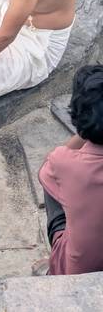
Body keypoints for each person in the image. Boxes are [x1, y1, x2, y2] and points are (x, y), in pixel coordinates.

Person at [38, 65, 103, 275]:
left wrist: (86, 128)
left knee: (52, 181)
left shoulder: (63, 162)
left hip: (76, 269)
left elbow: (47, 169)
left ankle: (54, 260)